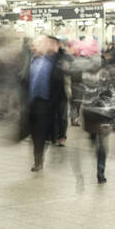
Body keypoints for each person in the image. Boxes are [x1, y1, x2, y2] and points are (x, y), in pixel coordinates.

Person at [20, 35, 67, 171]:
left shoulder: (56, 62)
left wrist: (55, 105)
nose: (34, 46)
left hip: (46, 104)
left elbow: (60, 87)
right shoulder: (32, 60)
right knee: (35, 133)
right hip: (32, 102)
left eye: (39, 43)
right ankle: (38, 156)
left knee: (40, 133)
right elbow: (24, 80)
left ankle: (38, 160)